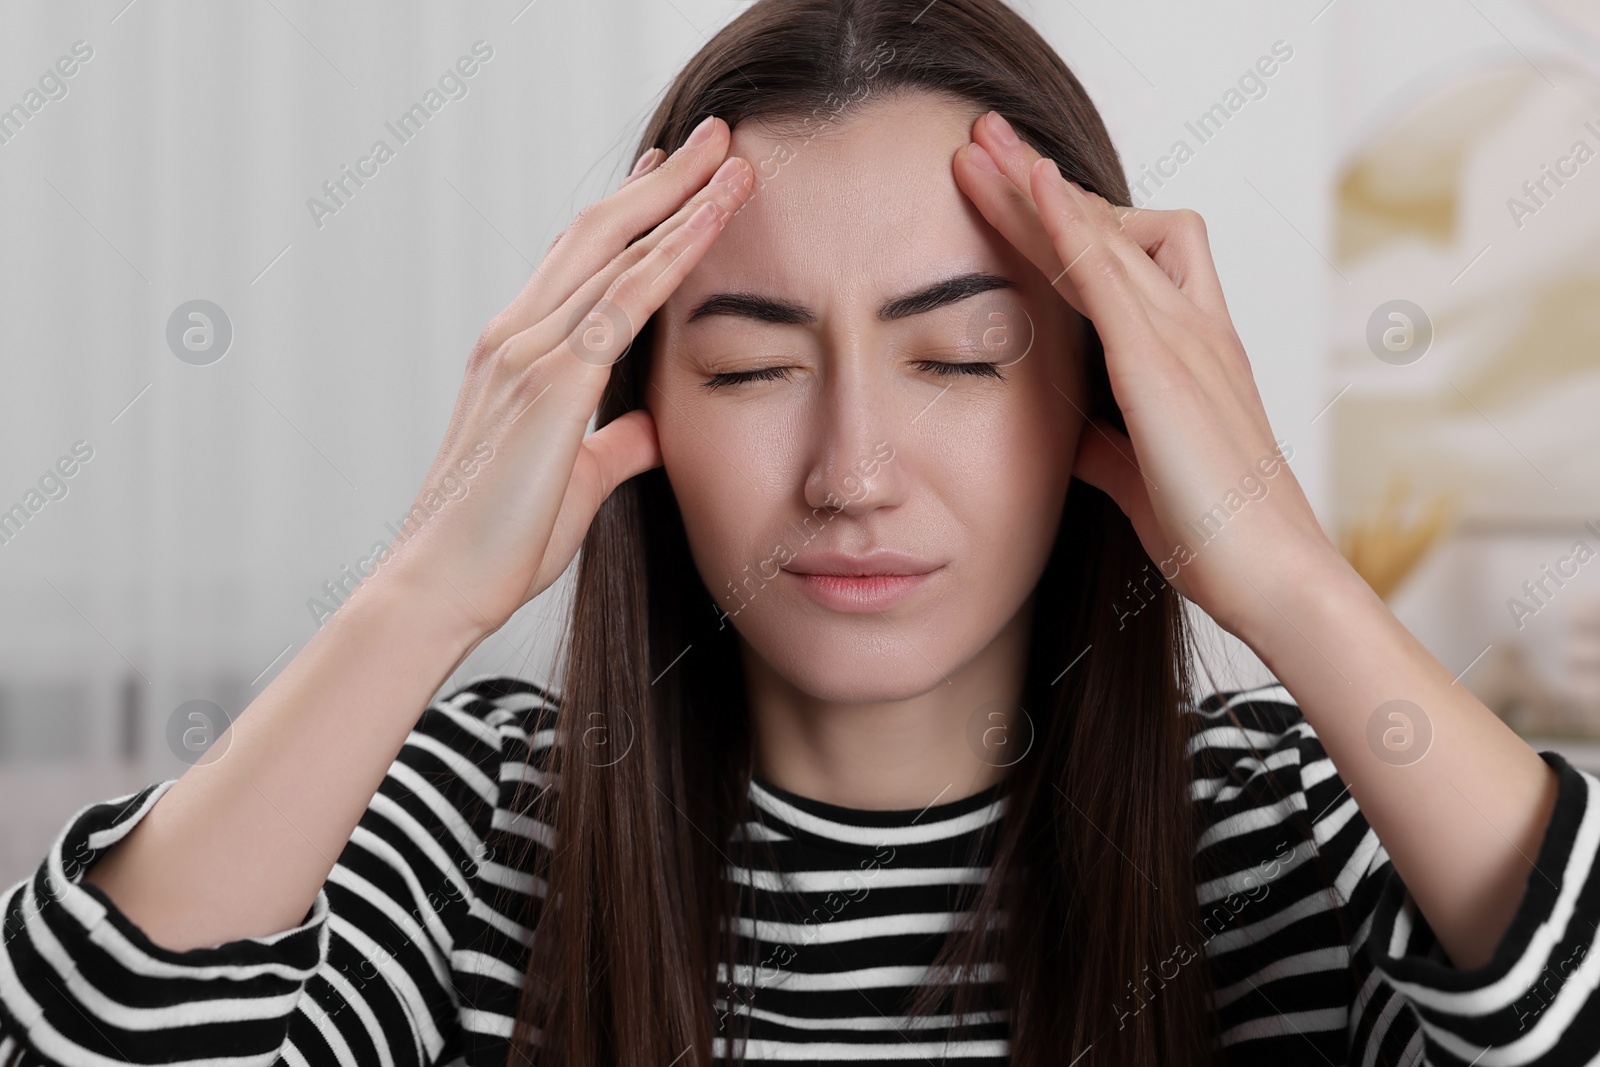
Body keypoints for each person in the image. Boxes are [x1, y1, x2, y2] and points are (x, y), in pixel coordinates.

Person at [3, 0, 1597, 1064]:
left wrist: (1282, 567)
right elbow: (89, 1035)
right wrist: (424, 589)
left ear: (1113, 399)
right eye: (753, 365)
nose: (852, 471)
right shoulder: (467, 824)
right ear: (634, 409)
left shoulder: (1289, 831)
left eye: (962, 360)